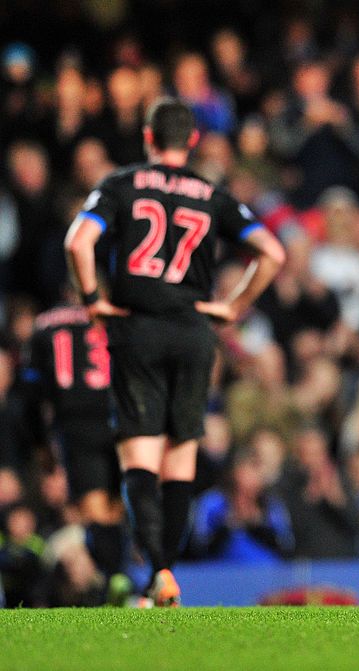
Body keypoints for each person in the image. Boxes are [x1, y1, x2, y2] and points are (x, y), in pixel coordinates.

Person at [63, 98, 285, 606]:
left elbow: (79, 242)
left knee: (140, 459)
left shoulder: (122, 184)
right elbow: (272, 253)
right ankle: (163, 576)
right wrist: (233, 307)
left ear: (147, 138)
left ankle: (158, 572)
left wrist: (94, 300)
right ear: (190, 142)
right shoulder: (211, 193)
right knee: (179, 462)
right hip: (192, 333)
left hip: (137, 330)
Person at [20, 298, 127, 590]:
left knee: (95, 510)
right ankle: (117, 579)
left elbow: (31, 393)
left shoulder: (45, 324)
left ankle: (112, 581)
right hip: (121, 417)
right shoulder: (117, 314)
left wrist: (44, 451)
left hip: (76, 423)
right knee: (116, 507)